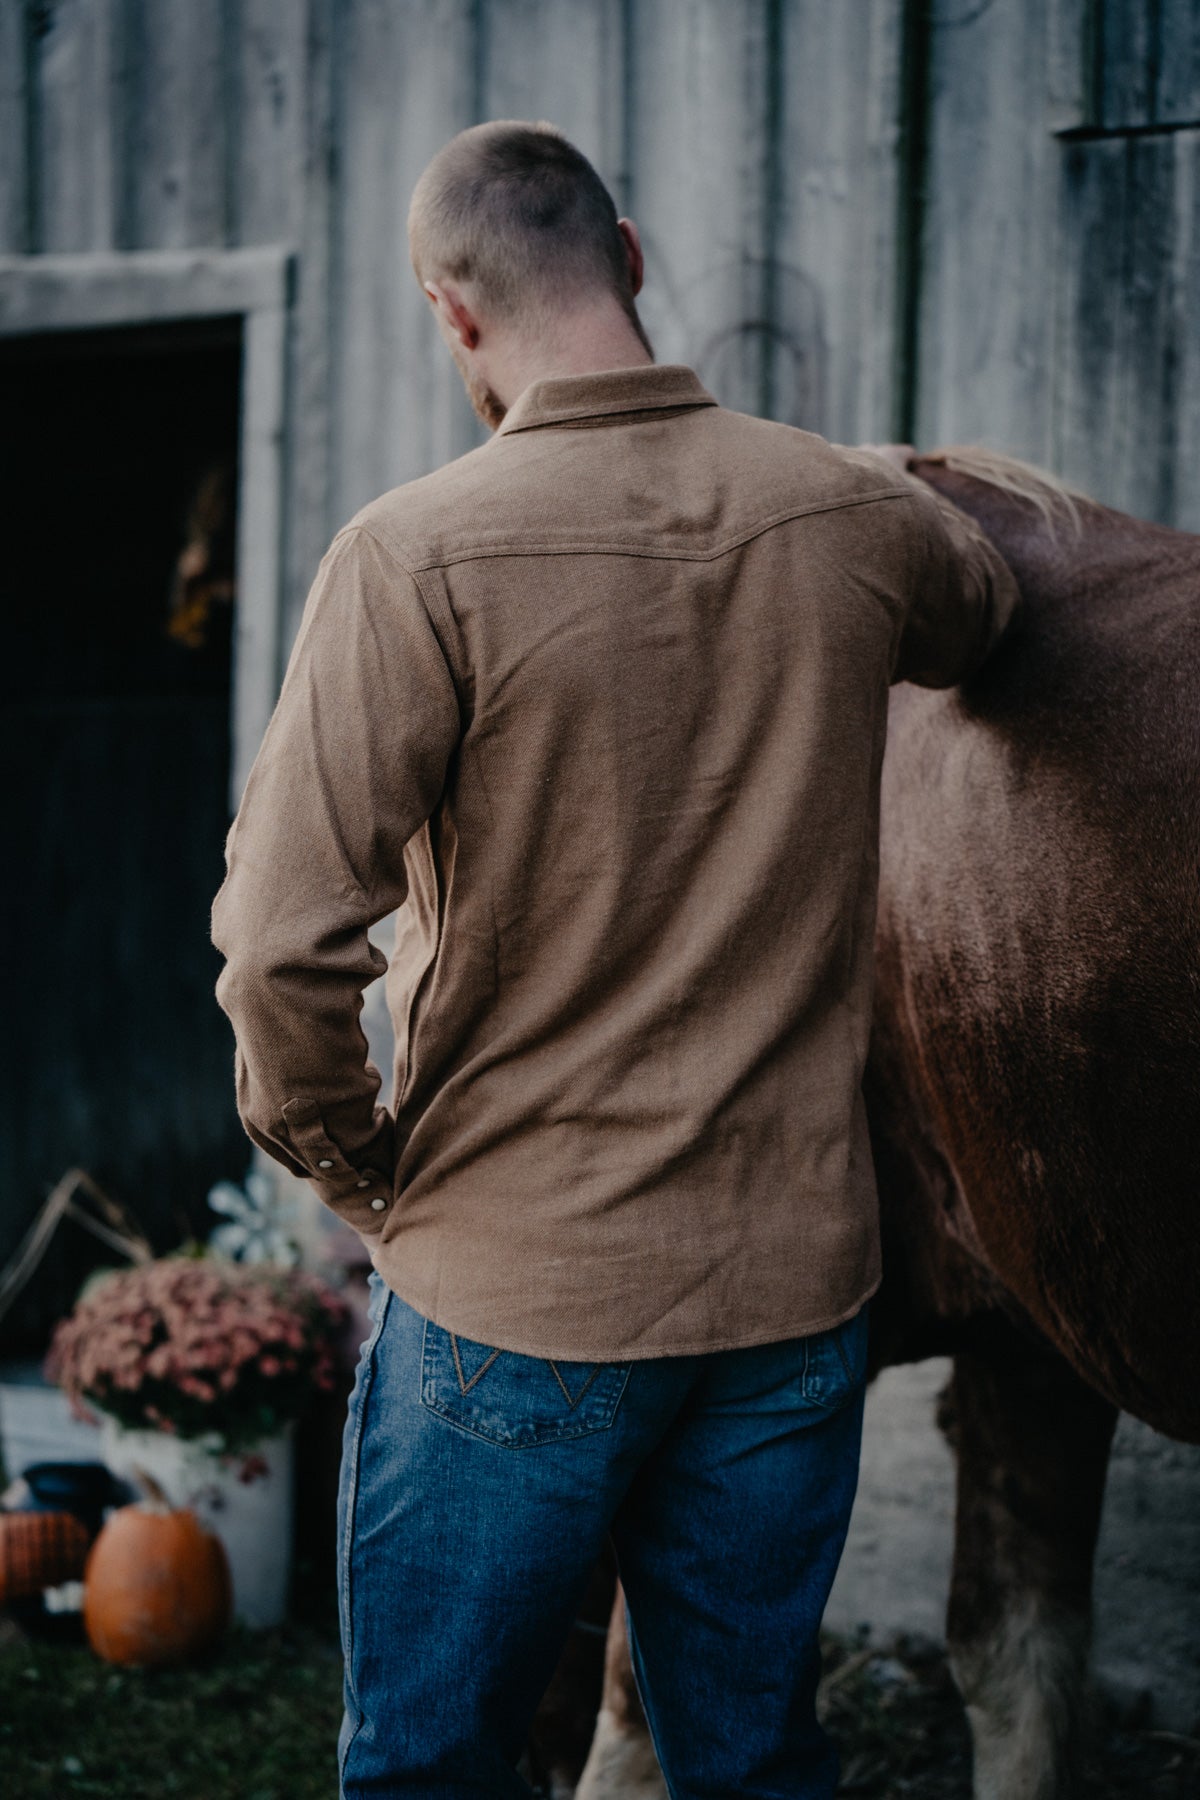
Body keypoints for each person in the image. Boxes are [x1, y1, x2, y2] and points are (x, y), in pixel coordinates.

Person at [211, 119, 1019, 1800]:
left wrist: (371, 1181)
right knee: (752, 1765)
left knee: (431, 1765)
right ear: (633, 259)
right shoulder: (843, 512)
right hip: (793, 1303)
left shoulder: (410, 557)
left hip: (515, 1293)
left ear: (451, 314)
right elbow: (990, 609)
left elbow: (279, 949)